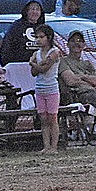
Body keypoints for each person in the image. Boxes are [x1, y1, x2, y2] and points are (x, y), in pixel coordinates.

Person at [30, 24, 62, 154]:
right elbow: (34, 73)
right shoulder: (37, 53)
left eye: (41, 37)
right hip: (40, 88)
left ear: (48, 38)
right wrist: (37, 64)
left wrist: (33, 63)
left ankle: (54, 147)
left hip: (51, 88)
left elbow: (44, 69)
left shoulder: (54, 52)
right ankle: (46, 146)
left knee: (52, 118)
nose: (38, 40)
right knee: (43, 118)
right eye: (37, 37)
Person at [0, 0, 46, 65]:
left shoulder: (43, 28)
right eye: (32, 9)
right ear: (26, 11)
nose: (35, 12)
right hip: (19, 65)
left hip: (39, 66)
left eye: (38, 9)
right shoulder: (17, 26)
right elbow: (7, 46)